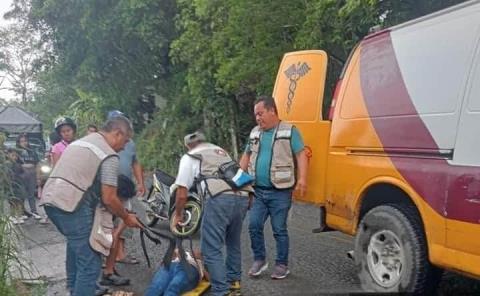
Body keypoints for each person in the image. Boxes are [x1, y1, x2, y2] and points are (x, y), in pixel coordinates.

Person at [40, 116, 143, 296]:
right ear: (117, 134)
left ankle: (74, 289)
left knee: (75, 247)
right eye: (125, 141)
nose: (125, 146)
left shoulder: (82, 142)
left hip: (51, 200)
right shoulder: (108, 155)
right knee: (90, 263)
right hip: (71, 205)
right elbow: (110, 198)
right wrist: (126, 217)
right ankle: (82, 290)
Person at [172, 131, 253, 296]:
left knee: (210, 248)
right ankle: (234, 283)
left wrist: (178, 214)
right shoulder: (220, 151)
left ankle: (221, 290)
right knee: (233, 242)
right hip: (244, 196)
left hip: (219, 199)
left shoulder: (190, 156)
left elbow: (182, 193)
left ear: (188, 146)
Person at [240, 95, 308, 280]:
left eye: (260, 113)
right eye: (255, 115)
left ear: (272, 111)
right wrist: (238, 181)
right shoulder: (255, 133)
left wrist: (302, 178)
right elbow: (246, 156)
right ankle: (259, 260)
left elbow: (301, 155)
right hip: (258, 191)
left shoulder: (289, 131)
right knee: (253, 225)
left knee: (279, 229)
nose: (258, 118)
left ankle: (281, 264)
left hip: (281, 191)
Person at [100, 110, 145, 287]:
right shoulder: (101, 144)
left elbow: (135, 162)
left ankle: (114, 263)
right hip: (107, 190)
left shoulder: (129, 143)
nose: (123, 144)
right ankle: (103, 265)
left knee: (119, 227)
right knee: (104, 227)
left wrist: (140, 182)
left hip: (124, 188)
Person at [16, 133, 42, 220]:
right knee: (21, 194)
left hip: (32, 174)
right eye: (22, 141)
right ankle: (21, 212)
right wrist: (23, 166)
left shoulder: (32, 151)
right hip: (21, 175)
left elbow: (38, 163)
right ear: (18, 143)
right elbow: (14, 164)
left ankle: (34, 211)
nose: (24, 143)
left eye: (25, 141)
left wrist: (38, 177)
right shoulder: (16, 151)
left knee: (31, 194)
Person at [6, 148, 28, 224]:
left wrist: (22, 178)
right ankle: (13, 216)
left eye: (16, 156)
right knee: (12, 202)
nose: (14, 157)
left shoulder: (18, 165)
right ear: (8, 155)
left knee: (19, 201)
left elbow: (23, 173)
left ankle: (18, 216)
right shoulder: (6, 164)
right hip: (10, 186)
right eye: (12, 155)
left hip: (18, 185)